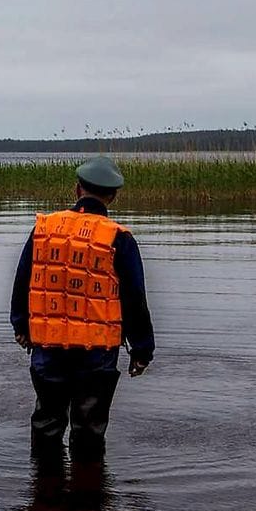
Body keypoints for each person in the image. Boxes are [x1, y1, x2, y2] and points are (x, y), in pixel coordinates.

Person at [10, 156, 154, 461]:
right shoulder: (119, 238)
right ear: (113, 196)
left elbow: (24, 279)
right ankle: (90, 502)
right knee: (89, 432)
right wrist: (141, 350)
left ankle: (43, 497)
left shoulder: (45, 230)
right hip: (97, 351)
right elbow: (134, 298)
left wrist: (21, 325)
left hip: (48, 346)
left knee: (47, 425)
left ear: (77, 189)